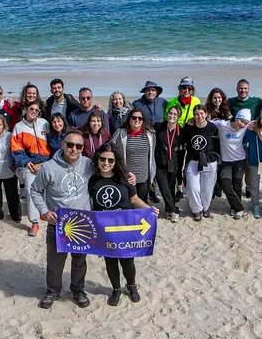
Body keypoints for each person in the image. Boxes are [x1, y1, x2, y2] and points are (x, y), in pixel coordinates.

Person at [29, 130, 96, 309]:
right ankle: (53, 291)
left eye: (79, 146)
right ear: (63, 145)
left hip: (81, 223)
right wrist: (44, 211)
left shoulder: (89, 165)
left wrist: (129, 177)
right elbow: (35, 190)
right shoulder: (49, 168)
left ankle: (78, 290)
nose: (74, 149)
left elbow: (109, 171)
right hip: (58, 224)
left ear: (83, 148)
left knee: (79, 261)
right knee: (55, 262)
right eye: (70, 145)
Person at [89, 143, 158, 306]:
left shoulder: (124, 177)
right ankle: (116, 289)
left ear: (116, 162)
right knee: (110, 262)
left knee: (127, 262)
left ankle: (131, 285)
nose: (106, 163)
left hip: (125, 229)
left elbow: (134, 199)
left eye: (110, 161)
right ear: (98, 159)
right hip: (105, 230)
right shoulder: (92, 180)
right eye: (103, 159)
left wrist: (149, 210)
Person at [11, 101, 52, 236]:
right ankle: (34, 223)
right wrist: (26, 162)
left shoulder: (44, 123)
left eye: (36, 110)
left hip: (46, 163)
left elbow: (53, 142)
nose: (34, 111)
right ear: (26, 110)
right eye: (31, 109)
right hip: (30, 165)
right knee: (30, 191)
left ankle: (44, 213)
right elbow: (16, 148)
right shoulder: (19, 127)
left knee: (48, 190)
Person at [212, 109, 252, 219]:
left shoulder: (246, 127)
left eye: (246, 123)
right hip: (226, 162)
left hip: (240, 160)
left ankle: (234, 208)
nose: (243, 125)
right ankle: (240, 208)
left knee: (237, 185)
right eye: (242, 121)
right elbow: (206, 123)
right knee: (226, 185)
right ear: (236, 118)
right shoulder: (222, 124)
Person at [181, 105, 220, 220]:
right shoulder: (188, 128)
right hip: (192, 160)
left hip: (209, 161)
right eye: (197, 114)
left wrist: (217, 159)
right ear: (194, 115)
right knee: (193, 188)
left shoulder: (212, 127)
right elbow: (183, 141)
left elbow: (217, 145)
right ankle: (196, 209)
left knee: (207, 188)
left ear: (206, 114)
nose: (199, 116)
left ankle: (205, 207)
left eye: (202, 113)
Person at [110, 109, 156, 204]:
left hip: (144, 177)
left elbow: (152, 155)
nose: (137, 120)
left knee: (142, 203)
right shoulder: (120, 133)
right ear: (129, 119)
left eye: (140, 118)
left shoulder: (150, 134)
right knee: (127, 203)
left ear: (143, 120)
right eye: (134, 117)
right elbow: (110, 149)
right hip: (127, 177)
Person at [153, 105, 184, 222]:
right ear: (167, 114)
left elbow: (182, 151)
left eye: (175, 114)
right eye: (170, 113)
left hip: (173, 164)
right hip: (159, 164)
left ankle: (168, 210)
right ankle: (174, 211)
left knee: (171, 189)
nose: (172, 116)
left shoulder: (181, 131)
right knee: (164, 188)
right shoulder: (159, 127)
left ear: (178, 117)